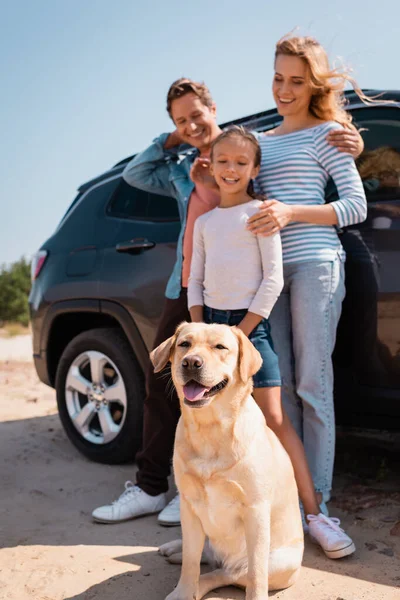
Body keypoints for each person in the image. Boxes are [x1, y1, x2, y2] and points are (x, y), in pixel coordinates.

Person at [92, 76, 363, 528]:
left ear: (215, 108)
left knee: (256, 402)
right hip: (190, 285)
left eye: (197, 114)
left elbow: (295, 157)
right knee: (171, 383)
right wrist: (177, 138)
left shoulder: (250, 148)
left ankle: (300, 502)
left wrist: (349, 141)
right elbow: (135, 174)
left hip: (244, 299)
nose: (192, 125)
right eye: (182, 120)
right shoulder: (184, 164)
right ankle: (158, 487)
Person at [188, 125, 356, 558]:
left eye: (241, 163)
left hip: (250, 330)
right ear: (211, 164)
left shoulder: (262, 214)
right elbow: (195, 281)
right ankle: (215, 526)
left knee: (275, 420)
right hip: (210, 334)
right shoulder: (206, 223)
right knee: (214, 424)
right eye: (223, 161)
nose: (231, 169)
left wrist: (239, 336)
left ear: (255, 169)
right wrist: (198, 336)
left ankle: (315, 514)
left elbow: (273, 280)